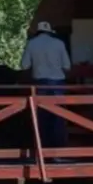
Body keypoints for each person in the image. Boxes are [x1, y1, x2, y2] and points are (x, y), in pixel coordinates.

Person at [20, 21, 72, 149]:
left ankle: (43, 147)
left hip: (40, 83)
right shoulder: (59, 43)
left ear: (38, 32)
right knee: (59, 115)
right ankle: (59, 148)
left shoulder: (32, 44)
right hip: (57, 83)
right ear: (49, 31)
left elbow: (24, 65)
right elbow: (67, 66)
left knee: (42, 116)